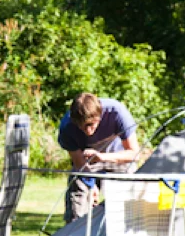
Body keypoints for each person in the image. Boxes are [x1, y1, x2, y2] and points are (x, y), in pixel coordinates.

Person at [58, 93, 140, 222]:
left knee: (133, 190)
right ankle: (75, 230)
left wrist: (102, 157)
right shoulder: (67, 126)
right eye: (82, 126)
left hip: (119, 158)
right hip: (88, 163)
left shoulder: (117, 112)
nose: (88, 131)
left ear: (100, 116)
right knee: (78, 186)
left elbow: (134, 153)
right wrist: (91, 185)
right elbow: (80, 164)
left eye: (91, 125)